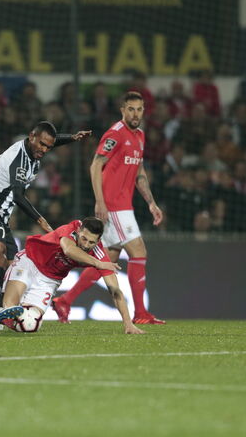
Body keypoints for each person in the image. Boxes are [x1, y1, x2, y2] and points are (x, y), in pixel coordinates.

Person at [51, 91, 166, 325]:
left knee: (108, 257)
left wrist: (151, 202)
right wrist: (100, 201)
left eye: (139, 109)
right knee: (139, 252)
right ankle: (141, 313)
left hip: (125, 205)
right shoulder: (115, 134)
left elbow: (140, 173)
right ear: (123, 110)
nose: (135, 114)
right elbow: (95, 165)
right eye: (131, 109)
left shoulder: (140, 136)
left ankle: (65, 300)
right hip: (113, 206)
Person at [0, 121, 92, 325]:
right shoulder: (19, 158)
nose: (44, 149)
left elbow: (50, 140)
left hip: (1, 217)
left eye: (48, 147)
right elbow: (18, 196)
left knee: (13, 269)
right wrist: (41, 220)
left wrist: (72, 137)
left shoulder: (34, 152)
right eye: (41, 144)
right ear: (31, 136)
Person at [0, 218, 144, 335]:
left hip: (49, 280)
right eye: (84, 238)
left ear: (99, 241)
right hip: (29, 262)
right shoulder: (70, 229)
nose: (86, 244)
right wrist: (98, 263)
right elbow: (69, 250)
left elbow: (115, 289)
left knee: (30, 326)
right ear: (79, 231)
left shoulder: (99, 254)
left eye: (91, 242)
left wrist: (127, 323)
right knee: (10, 305)